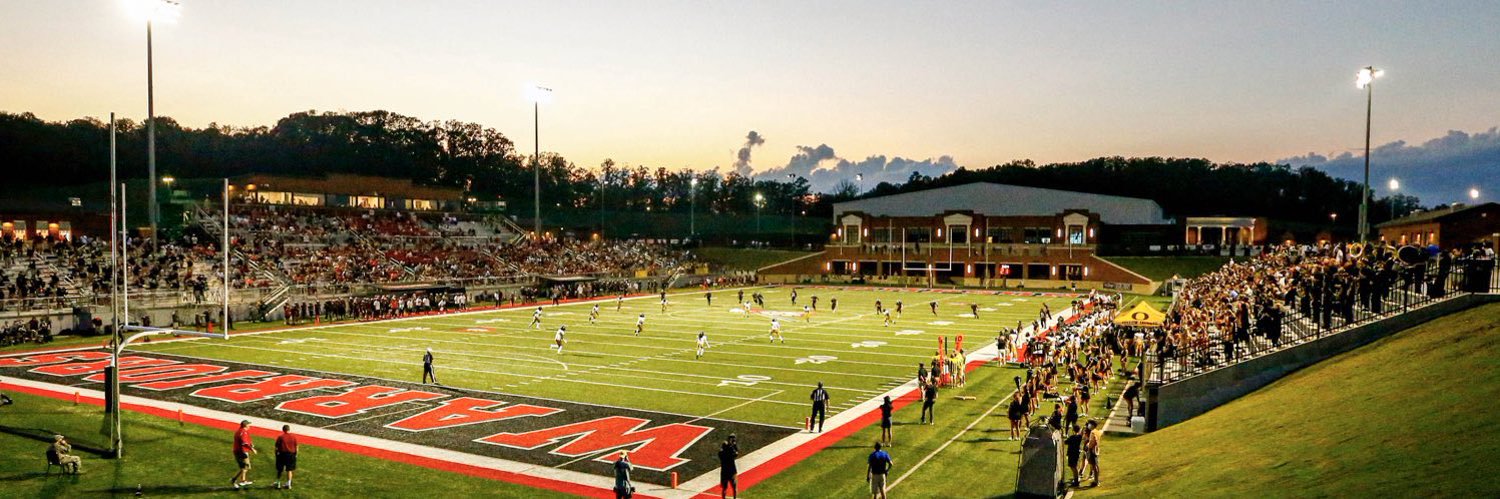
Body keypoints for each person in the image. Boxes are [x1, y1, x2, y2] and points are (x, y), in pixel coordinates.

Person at [231, 419, 257, 489]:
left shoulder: (241, 431)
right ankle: (236, 480)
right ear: (245, 425)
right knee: (245, 467)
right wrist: (252, 449)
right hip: (241, 452)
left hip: (239, 451)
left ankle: (241, 480)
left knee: (245, 467)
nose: (250, 425)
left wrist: (251, 444)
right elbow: (244, 443)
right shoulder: (243, 432)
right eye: (249, 424)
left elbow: (247, 440)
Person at [274, 425, 298, 489]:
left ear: (283, 430)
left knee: (280, 469)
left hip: (282, 454)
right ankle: (289, 483)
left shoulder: (281, 437)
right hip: (291, 455)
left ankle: (278, 483)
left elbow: (276, 447)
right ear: (289, 429)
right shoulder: (293, 437)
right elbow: (296, 446)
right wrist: (296, 454)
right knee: (289, 470)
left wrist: (276, 454)